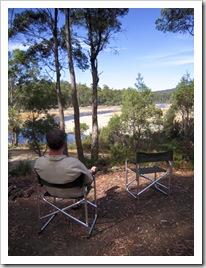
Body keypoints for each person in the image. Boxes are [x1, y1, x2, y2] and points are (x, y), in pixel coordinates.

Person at [34, 128, 97, 199]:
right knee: (91, 174)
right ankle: (79, 202)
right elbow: (89, 179)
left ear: (48, 144)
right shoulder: (74, 163)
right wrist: (91, 172)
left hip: (52, 192)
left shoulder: (39, 163)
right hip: (76, 193)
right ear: (64, 144)